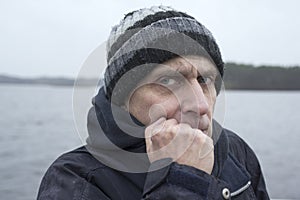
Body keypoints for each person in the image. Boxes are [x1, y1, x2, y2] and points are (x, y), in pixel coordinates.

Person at [37, 6, 270, 200]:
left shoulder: (235, 151)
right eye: (168, 80)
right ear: (122, 100)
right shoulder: (75, 180)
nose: (200, 105)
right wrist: (183, 181)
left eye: (204, 79)